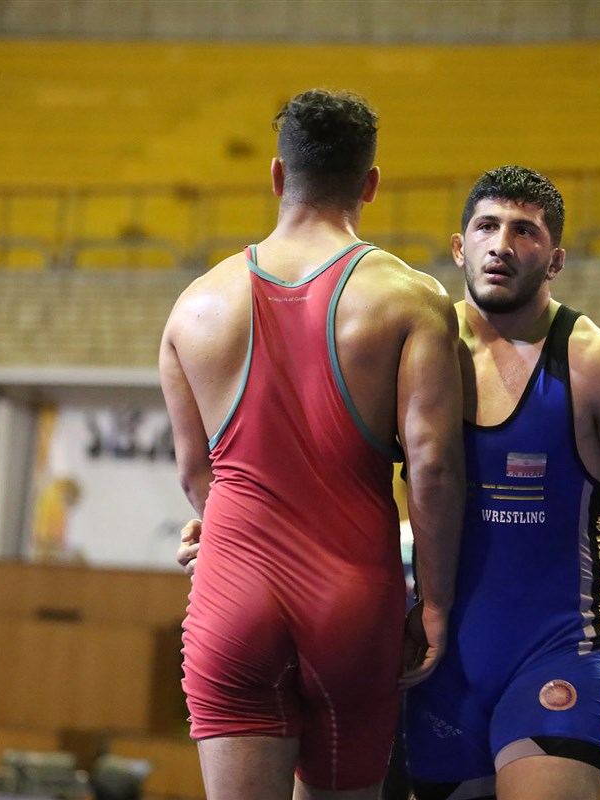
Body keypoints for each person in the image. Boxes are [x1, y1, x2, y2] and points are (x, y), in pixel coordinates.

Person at [178, 165, 600, 800]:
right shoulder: (410, 344)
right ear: (460, 248)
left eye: (525, 232)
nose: (502, 245)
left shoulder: (599, 366)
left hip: (555, 652)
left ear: (555, 260)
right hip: (432, 660)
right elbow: (309, 464)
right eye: (487, 227)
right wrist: (228, 530)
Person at [159, 88, 465, 800]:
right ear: (370, 184)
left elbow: (196, 474)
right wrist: (435, 602)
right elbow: (433, 467)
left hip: (232, 593)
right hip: (352, 600)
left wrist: (229, 533)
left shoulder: (194, 305)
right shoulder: (411, 298)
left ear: (276, 175)